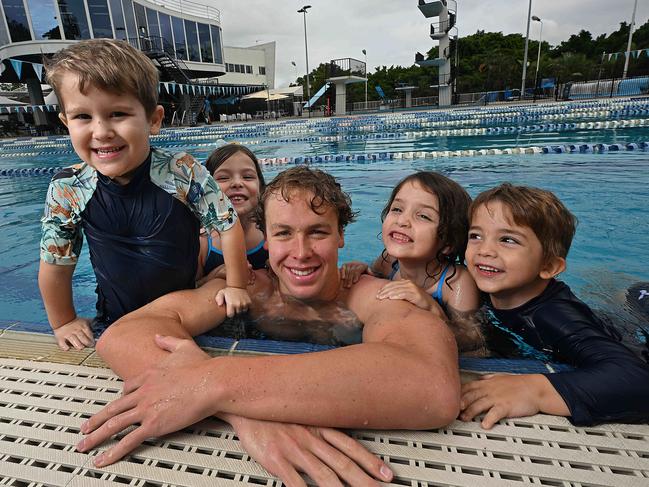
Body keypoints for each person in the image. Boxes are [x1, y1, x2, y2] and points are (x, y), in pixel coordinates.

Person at [75, 166, 461, 484]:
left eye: (318, 232)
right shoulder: (250, 289)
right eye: (283, 233)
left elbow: (432, 383)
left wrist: (214, 384)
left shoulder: (372, 296)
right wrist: (244, 413)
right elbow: (124, 333)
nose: (301, 252)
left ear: (342, 235)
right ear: (266, 239)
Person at [39, 39, 250, 352]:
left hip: (186, 310)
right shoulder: (69, 187)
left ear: (153, 119)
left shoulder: (181, 170)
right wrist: (64, 321)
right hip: (117, 319)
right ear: (66, 122)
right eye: (83, 116)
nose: (101, 131)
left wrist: (235, 286)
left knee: (221, 297)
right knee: (125, 343)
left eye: (118, 113)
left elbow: (228, 226)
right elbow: (55, 263)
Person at [460, 183, 649, 427]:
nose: (484, 250)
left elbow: (636, 379)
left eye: (507, 240)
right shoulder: (481, 287)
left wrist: (534, 390)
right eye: (475, 236)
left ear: (548, 267)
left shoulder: (552, 316)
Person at [341, 171, 481, 351]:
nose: (402, 221)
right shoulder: (388, 261)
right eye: (397, 209)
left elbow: (472, 340)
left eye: (423, 216)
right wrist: (361, 270)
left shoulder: (456, 281)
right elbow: (373, 276)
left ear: (448, 242)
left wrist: (432, 309)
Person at [197, 144, 268, 285]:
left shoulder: (270, 233)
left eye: (248, 177)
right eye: (223, 178)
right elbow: (190, 291)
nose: (237, 183)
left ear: (260, 187)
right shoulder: (202, 244)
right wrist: (212, 277)